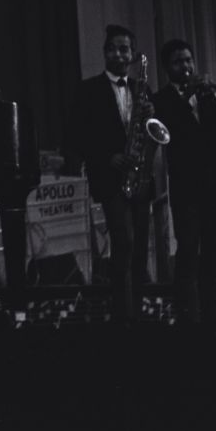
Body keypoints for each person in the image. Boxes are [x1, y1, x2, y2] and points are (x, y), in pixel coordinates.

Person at [65, 24, 156, 322]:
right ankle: (123, 315)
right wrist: (107, 157)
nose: (119, 53)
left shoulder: (141, 89)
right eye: (114, 48)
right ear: (105, 53)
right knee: (124, 242)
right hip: (110, 176)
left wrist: (150, 117)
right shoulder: (88, 89)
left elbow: (151, 131)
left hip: (139, 175)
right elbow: (77, 134)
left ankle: (138, 312)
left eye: (125, 49)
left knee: (140, 247)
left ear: (131, 55)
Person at [152, 38, 216, 323]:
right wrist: (185, 99)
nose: (187, 66)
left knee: (215, 254)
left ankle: (212, 313)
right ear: (168, 67)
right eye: (179, 61)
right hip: (187, 188)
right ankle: (189, 316)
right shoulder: (161, 101)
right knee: (189, 251)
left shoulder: (210, 94)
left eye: (189, 60)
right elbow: (169, 134)